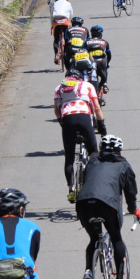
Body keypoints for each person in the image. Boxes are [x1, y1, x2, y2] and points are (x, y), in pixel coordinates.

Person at [76, 135, 140, 279]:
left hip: (84, 203)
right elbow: (130, 192)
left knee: (94, 238)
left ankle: (88, 271)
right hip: (107, 204)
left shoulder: (92, 162)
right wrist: (133, 209)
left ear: (100, 149)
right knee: (116, 237)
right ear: (119, 151)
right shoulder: (123, 164)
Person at [54, 70, 106, 203]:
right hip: (83, 117)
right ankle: (93, 182)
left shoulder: (59, 88)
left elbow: (57, 110)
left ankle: (71, 190)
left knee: (69, 156)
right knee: (93, 151)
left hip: (67, 120)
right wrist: (102, 127)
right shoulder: (87, 86)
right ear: (79, 78)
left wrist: (62, 123)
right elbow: (97, 108)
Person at [86, 25, 111, 104]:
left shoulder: (86, 42)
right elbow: (109, 55)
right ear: (101, 34)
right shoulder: (105, 42)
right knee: (105, 68)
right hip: (101, 62)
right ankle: (104, 84)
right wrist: (108, 63)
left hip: (90, 62)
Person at [51, 0, 73, 64]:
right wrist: (69, 23)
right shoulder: (68, 4)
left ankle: (56, 55)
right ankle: (66, 53)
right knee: (67, 38)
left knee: (56, 39)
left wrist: (52, 25)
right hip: (64, 21)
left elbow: (51, 15)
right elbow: (71, 14)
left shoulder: (55, 3)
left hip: (56, 20)